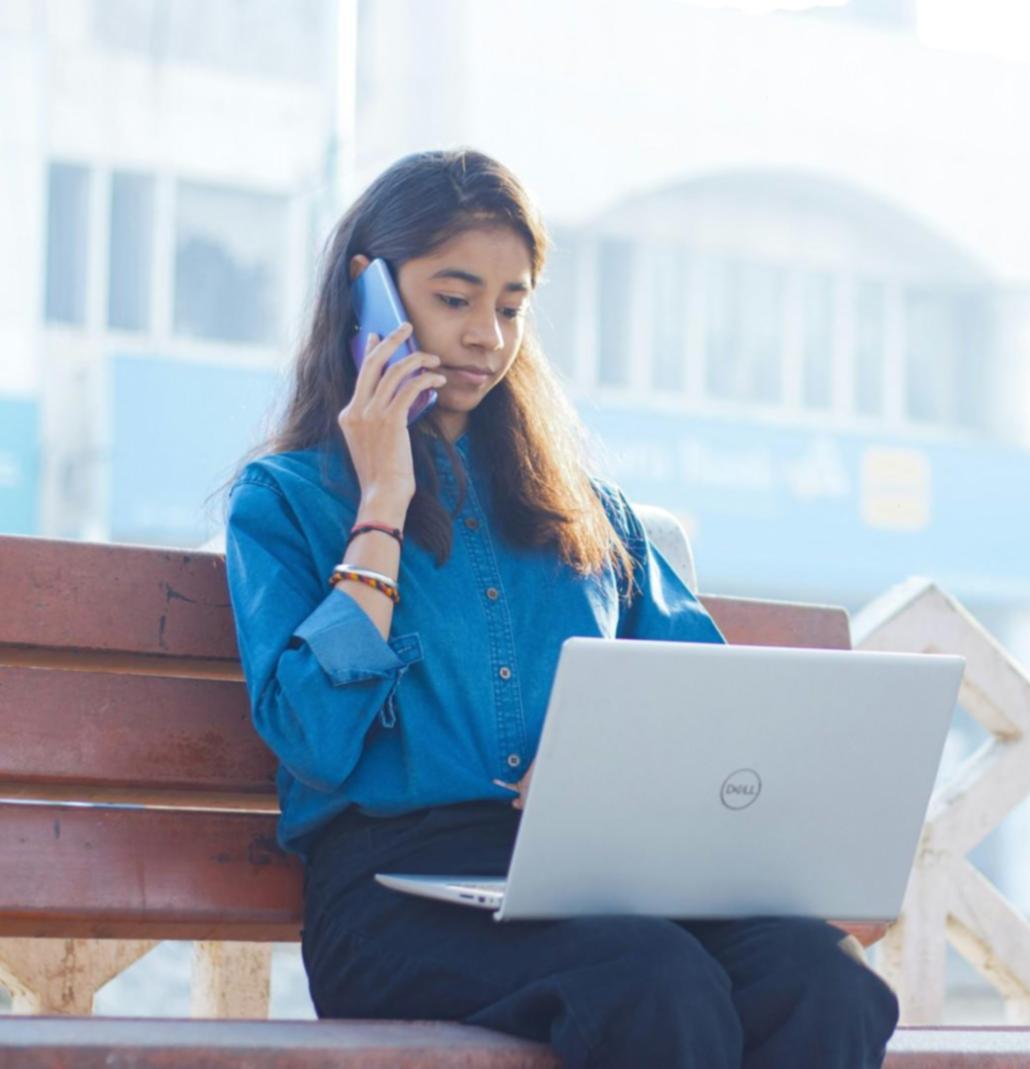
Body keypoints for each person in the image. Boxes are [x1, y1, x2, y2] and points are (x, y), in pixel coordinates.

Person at [222, 148, 899, 1068]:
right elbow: (313, 738)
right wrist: (382, 502)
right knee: (653, 982)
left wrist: (609, 757)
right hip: (395, 894)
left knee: (823, 978)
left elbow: (701, 698)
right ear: (368, 290)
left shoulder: (585, 511)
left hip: (597, 878)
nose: (486, 337)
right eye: (453, 299)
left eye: (511, 307)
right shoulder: (287, 500)